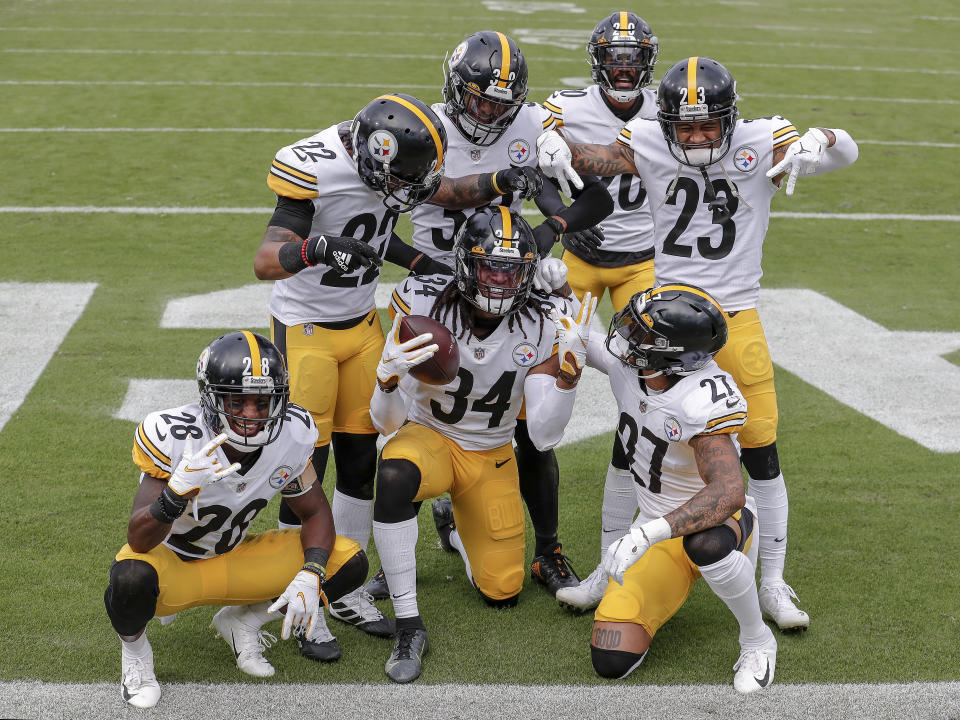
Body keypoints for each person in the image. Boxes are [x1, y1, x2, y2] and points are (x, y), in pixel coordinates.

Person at [536, 56, 860, 629]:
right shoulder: (648, 139)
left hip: (736, 317)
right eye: (684, 127)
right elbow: (595, 158)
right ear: (665, 123)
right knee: (630, 442)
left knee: (760, 451)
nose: (698, 136)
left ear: (731, 118)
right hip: (662, 320)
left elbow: (845, 152)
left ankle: (774, 581)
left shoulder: (762, 140)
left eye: (709, 124)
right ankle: (606, 567)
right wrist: (553, 144)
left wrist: (822, 139)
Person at [253, 92, 549, 636]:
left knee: (361, 460)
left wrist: (502, 182)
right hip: (307, 331)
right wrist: (317, 249)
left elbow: (413, 209)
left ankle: (339, 588)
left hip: (363, 327)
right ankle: (302, 594)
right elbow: (266, 260)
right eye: (399, 182)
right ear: (372, 158)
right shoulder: (313, 165)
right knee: (304, 469)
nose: (408, 194)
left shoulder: (393, 162)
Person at [362, 32, 614, 603]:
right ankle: (401, 543)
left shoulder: (529, 125)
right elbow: (376, 224)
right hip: (436, 284)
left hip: (507, 272)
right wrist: (425, 262)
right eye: (479, 101)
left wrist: (547, 232)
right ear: (454, 90)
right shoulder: (420, 128)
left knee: (527, 424)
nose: (489, 114)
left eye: (501, 105)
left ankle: (545, 548)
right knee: (412, 405)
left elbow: (595, 199)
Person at [368, 207, 597, 683]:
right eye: (490, 266)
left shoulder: (543, 320)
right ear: (465, 265)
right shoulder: (423, 303)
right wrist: (387, 380)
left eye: (512, 270)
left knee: (503, 589)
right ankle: (409, 623)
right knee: (393, 473)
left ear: (528, 274)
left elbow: (542, 436)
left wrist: (569, 380)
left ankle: (452, 530)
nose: (499, 280)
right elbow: (384, 422)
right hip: (429, 436)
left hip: (490, 453)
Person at [104, 331, 369, 709]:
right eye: (237, 401)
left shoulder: (291, 434)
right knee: (130, 576)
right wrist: (175, 494)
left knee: (346, 561)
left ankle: (244, 621)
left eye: (262, 403)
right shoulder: (176, 436)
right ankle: (136, 658)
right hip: (172, 565)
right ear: (212, 399)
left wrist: (311, 573)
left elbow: (315, 514)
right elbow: (139, 538)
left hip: (235, 558)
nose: (250, 414)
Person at [588, 284, 777, 694]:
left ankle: (757, 640)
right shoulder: (635, 368)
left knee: (705, 546)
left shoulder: (699, 398)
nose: (628, 338)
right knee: (611, 656)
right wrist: (558, 294)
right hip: (658, 533)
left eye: (642, 335)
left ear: (674, 356)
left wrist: (645, 532)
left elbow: (729, 493)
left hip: (717, 524)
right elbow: (582, 339)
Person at [539, 10, 660, 612]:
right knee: (550, 382)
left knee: (645, 392)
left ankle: (635, 538)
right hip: (581, 258)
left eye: (632, 57)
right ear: (596, 61)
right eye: (614, 58)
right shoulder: (562, 106)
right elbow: (535, 161)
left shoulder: (671, 111)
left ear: (648, 61)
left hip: (644, 262)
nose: (623, 67)